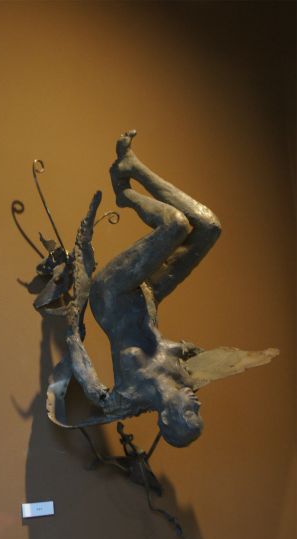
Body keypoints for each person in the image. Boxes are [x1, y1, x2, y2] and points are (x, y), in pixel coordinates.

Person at [65, 130, 221, 447]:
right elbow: (181, 352)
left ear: (167, 419)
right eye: (198, 412)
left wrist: (72, 335)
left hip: (112, 296)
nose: (197, 405)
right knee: (209, 227)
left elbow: (93, 389)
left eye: (189, 414)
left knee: (175, 224)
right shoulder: (183, 378)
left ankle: (126, 193)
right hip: (146, 296)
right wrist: (195, 352)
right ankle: (131, 166)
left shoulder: (131, 396)